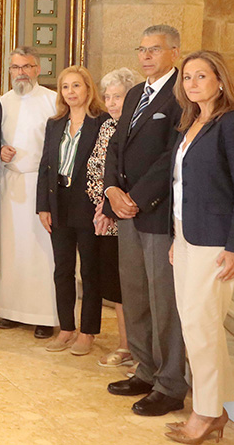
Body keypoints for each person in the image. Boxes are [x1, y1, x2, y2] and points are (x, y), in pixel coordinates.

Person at [165, 51, 234, 444]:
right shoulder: (190, 124)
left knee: (202, 328)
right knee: (196, 325)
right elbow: (181, 188)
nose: (191, 83)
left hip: (216, 241)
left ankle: (205, 415)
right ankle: (215, 409)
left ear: (219, 80)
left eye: (200, 76)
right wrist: (175, 237)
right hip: (186, 237)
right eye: (187, 77)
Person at [103, 24, 187, 417]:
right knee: (134, 293)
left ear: (174, 51)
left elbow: (170, 155)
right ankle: (145, 369)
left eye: (155, 49)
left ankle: (170, 384)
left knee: (162, 300)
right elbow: (115, 146)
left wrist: (135, 197)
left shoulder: (181, 96)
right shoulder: (137, 92)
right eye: (142, 49)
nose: (146, 56)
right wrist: (111, 191)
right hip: (125, 213)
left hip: (155, 214)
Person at [36, 66, 110, 356]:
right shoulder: (55, 123)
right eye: (65, 87)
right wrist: (43, 206)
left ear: (88, 89)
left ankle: (87, 332)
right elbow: (45, 166)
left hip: (89, 205)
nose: (71, 92)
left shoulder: (102, 122)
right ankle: (66, 327)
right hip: (59, 202)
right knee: (62, 270)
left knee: (90, 272)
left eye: (76, 86)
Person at [0, 47, 58, 339]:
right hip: (9, 186)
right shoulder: (1, 103)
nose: (21, 72)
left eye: (27, 66)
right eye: (15, 67)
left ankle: (43, 315)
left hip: (39, 187)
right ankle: (9, 310)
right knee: (10, 249)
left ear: (38, 69)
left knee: (40, 252)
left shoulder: (53, 101)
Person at [87, 67, 139, 368]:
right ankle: (125, 345)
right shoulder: (107, 126)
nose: (111, 103)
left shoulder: (137, 126)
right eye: (107, 97)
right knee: (117, 286)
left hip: (129, 216)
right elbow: (97, 170)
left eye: (117, 96)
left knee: (133, 286)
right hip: (105, 217)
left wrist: (111, 207)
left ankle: (139, 348)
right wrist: (101, 205)